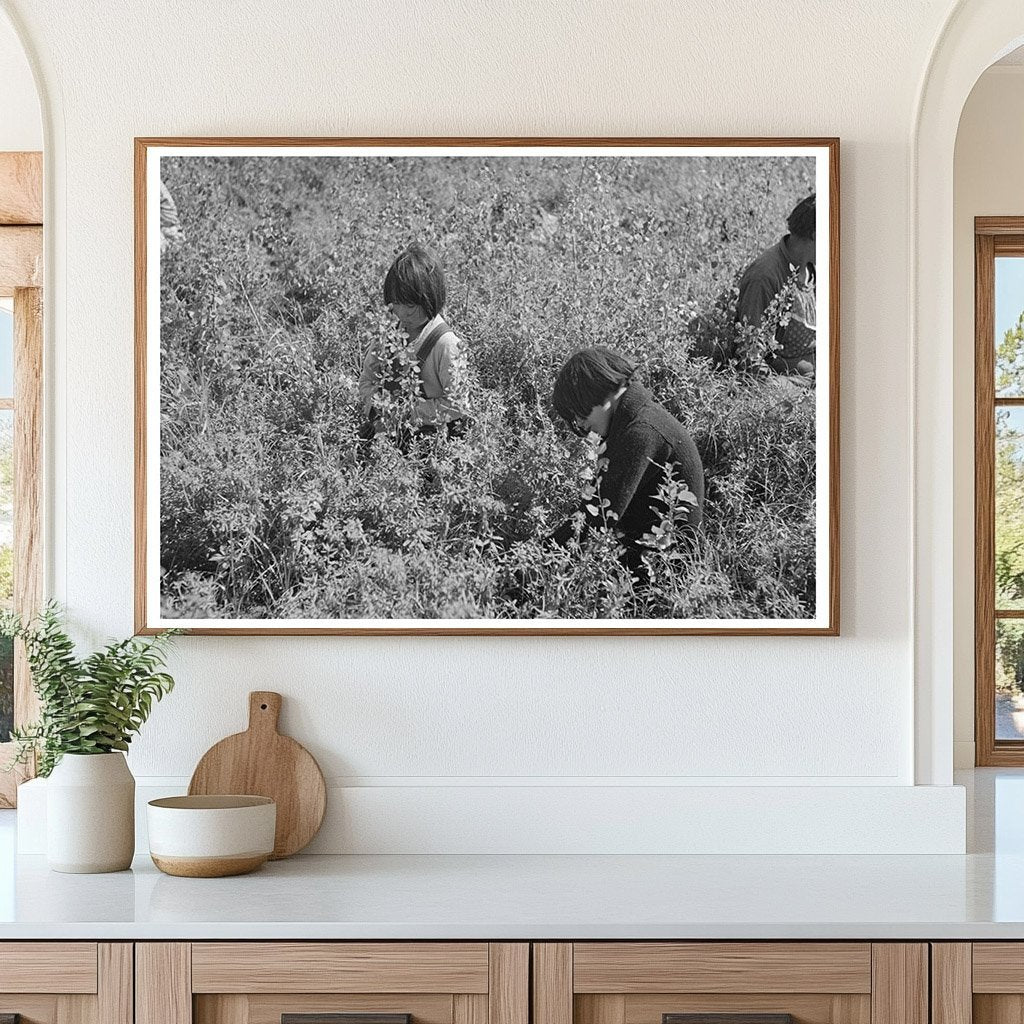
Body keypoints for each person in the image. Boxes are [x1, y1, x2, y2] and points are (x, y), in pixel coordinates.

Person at [550, 347, 704, 581]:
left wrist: (533, 561)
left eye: (579, 413)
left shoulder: (641, 433)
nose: (580, 424)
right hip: (653, 556)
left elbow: (597, 517)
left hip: (664, 576)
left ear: (595, 392)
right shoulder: (635, 419)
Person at [358, 244, 469, 444]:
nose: (402, 313)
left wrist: (405, 413)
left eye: (410, 305)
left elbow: (458, 404)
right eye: (396, 303)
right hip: (388, 427)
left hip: (432, 437)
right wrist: (377, 412)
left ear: (431, 298)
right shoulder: (388, 334)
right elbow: (367, 380)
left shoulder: (447, 344)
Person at [735, 193, 817, 376]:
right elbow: (751, 360)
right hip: (791, 380)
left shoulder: (815, 268)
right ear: (815, 234)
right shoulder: (764, 277)